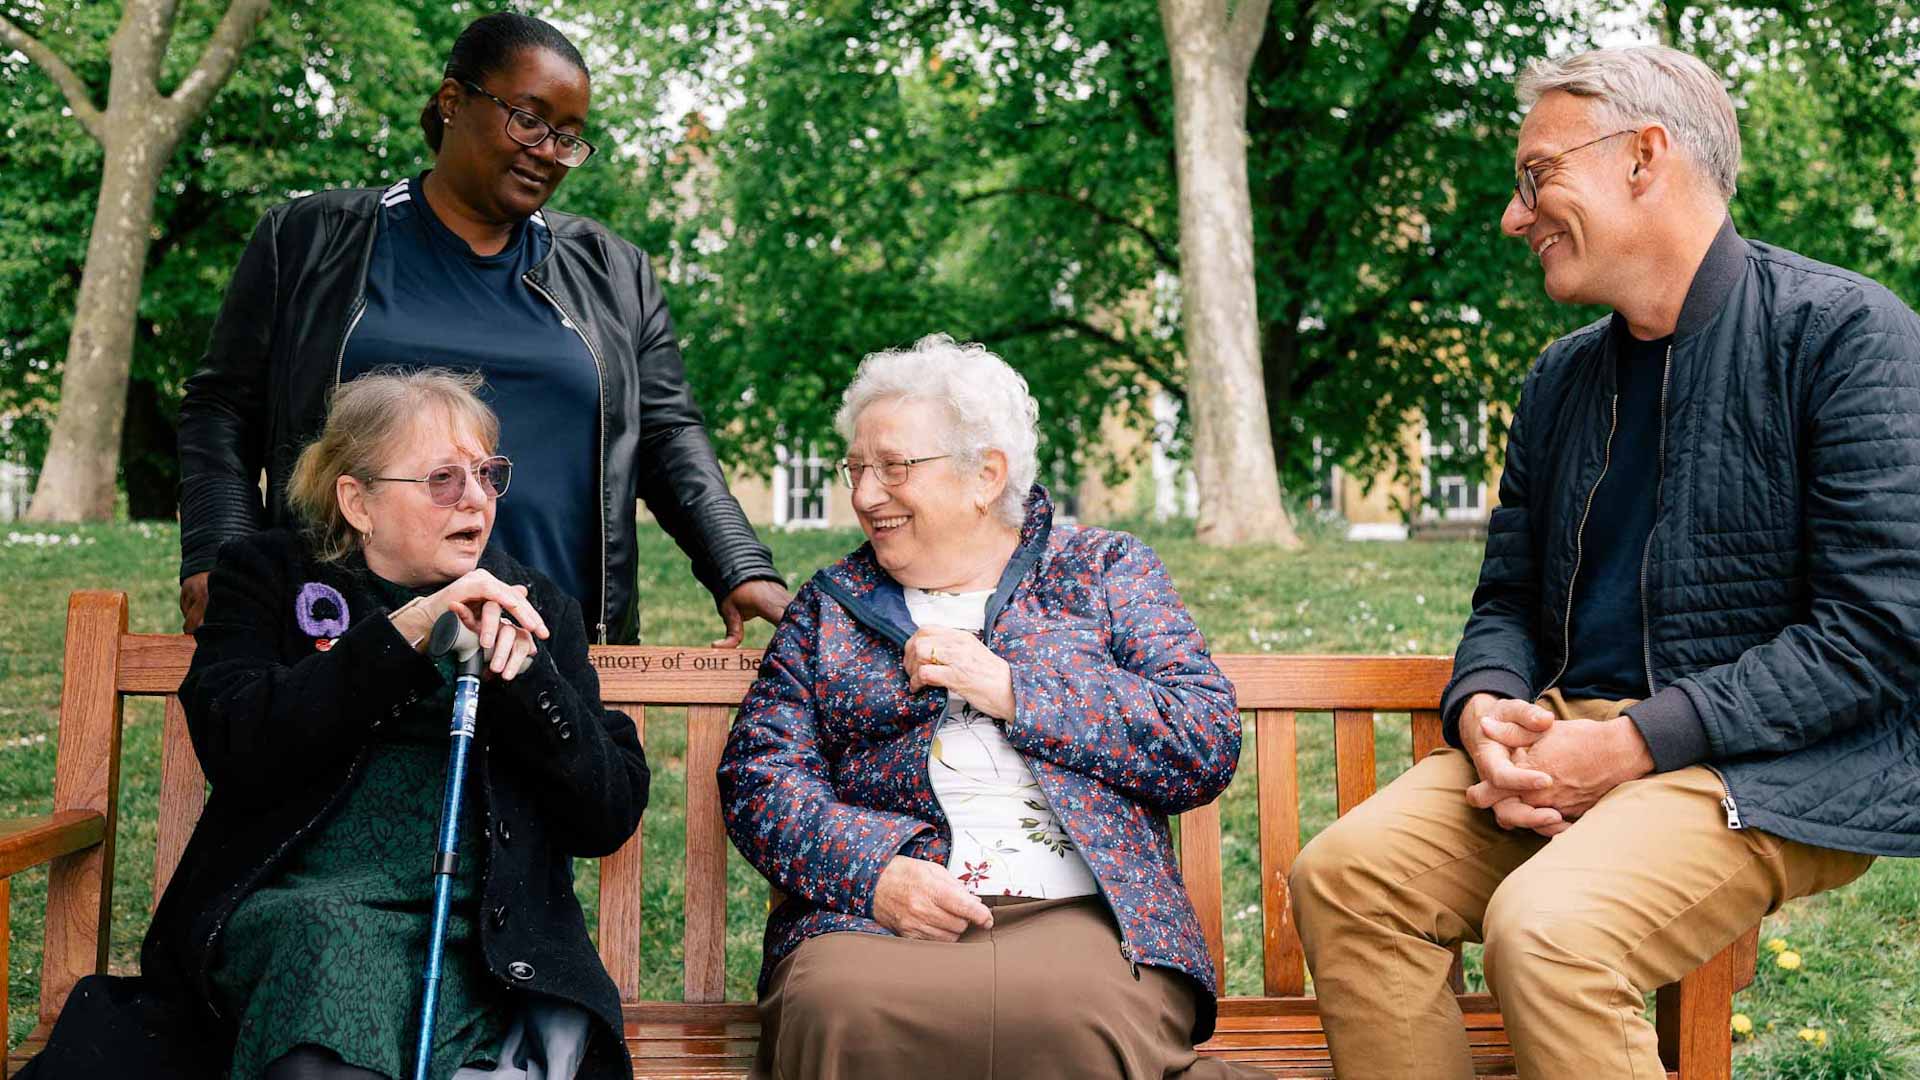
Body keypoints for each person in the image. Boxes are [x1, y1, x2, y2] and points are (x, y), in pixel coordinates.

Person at [1288, 45, 1920, 1079]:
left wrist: (1636, 743)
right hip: (1574, 744)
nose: (1513, 213)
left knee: (1549, 931)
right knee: (1348, 878)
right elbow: (1508, 600)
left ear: (1644, 158)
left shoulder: (1846, 335)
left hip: (1765, 763)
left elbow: (1882, 633)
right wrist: (1482, 705)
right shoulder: (1560, 380)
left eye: (1536, 175)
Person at [23, 370, 649, 1080]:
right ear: (358, 501)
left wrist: (534, 683)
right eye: (443, 478)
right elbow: (238, 743)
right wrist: (402, 635)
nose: (476, 499)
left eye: (487, 474)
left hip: (475, 936)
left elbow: (608, 814)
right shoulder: (265, 578)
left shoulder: (541, 610)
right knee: (328, 941)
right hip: (298, 912)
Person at [716, 335, 1266, 1080]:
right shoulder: (830, 606)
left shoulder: (1102, 569)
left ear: (987, 475)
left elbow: (1202, 739)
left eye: (894, 468)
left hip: (1087, 915)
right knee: (838, 1008)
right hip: (876, 919)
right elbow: (761, 778)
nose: (865, 494)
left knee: (1066, 1018)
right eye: (856, 470)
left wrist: (1014, 689)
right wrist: (873, 871)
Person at [176, 11, 788, 648]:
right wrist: (217, 553)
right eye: (529, 120)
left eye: (568, 137)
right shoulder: (309, 242)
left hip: (557, 657)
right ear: (452, 103)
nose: (549, 153)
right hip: (339, 648)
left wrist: (737, 563)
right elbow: (221, 410)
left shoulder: (615, 272)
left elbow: (666, 433)